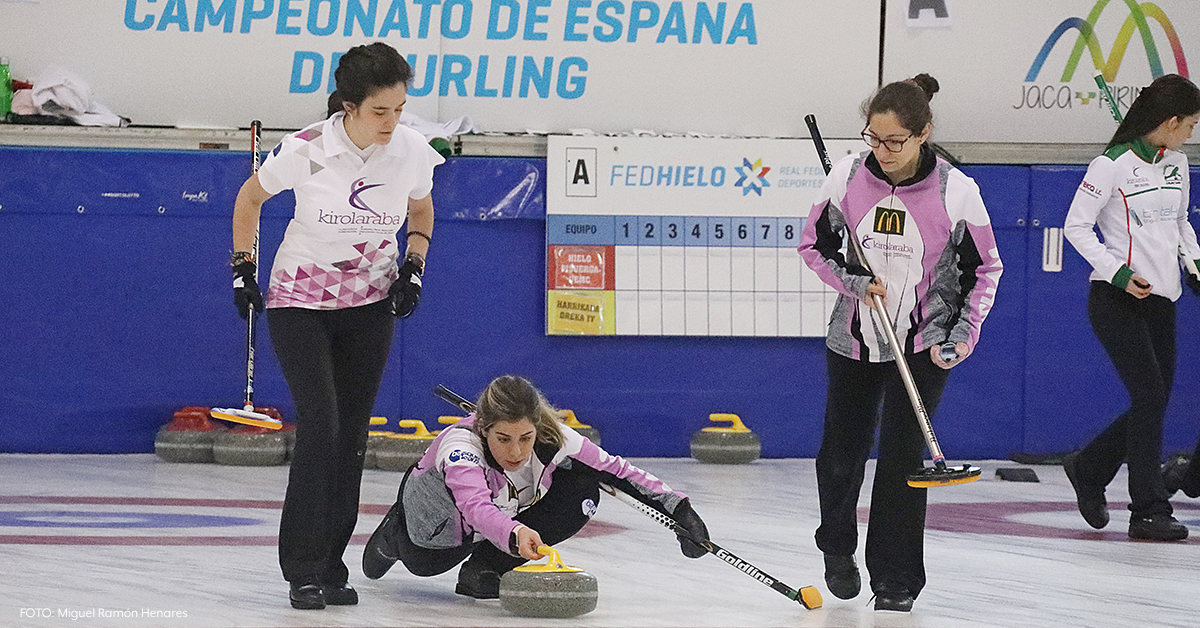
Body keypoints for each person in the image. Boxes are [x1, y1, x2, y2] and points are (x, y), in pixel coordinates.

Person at [229, 42, 445, 609]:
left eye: (399, 109)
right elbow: (249, 200)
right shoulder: (306, 149)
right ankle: (300, 566)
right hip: (299, 302)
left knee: (350, 436)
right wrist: (242, 269)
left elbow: (420, 214)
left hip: (370, 305)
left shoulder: (410, 151)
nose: (392, 122)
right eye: (380, 111)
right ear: (348, 105)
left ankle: (331, 564)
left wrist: (413, 270)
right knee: (320, 424)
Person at [797, 74, 1003, 612]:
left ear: (922, 134)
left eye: (895, 141)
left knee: (903, 464)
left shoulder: (958, 192)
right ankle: (836, 546)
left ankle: (895, 580)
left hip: (923, 343)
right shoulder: (844, 177)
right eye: (874, 138)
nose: (882, 152)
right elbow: (812, 245)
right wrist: (853, 281)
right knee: (839, 457)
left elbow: (985, 270)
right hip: (855, 341)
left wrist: (962, 334)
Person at [361, 375, 710, 599]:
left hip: (502, 518)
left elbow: (617, 470)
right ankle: (395, 532)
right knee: (425, 564)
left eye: (525, 438)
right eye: (503, 439)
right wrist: (515, 534)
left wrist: (680, 511)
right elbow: (476, 508)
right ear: (484, 428)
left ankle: (485, 567)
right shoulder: (460, 448)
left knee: (584, 485)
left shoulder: (553, 437)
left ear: (536, 427)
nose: (516, 451)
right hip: (437, 524)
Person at [1062, 73, 1200, 542]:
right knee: (1149, 398)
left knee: (1153, 400)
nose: (1192, 134)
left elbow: (1181, 222)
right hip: (1117, 299)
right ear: (1169, 120)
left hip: (1164, 299)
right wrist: (1117, 271)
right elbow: (1076, 228)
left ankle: (1089, 467)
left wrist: (1194, 262)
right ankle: (1147, 509)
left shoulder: (1177, 163)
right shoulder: (1110, 166)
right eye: (1190, 124)